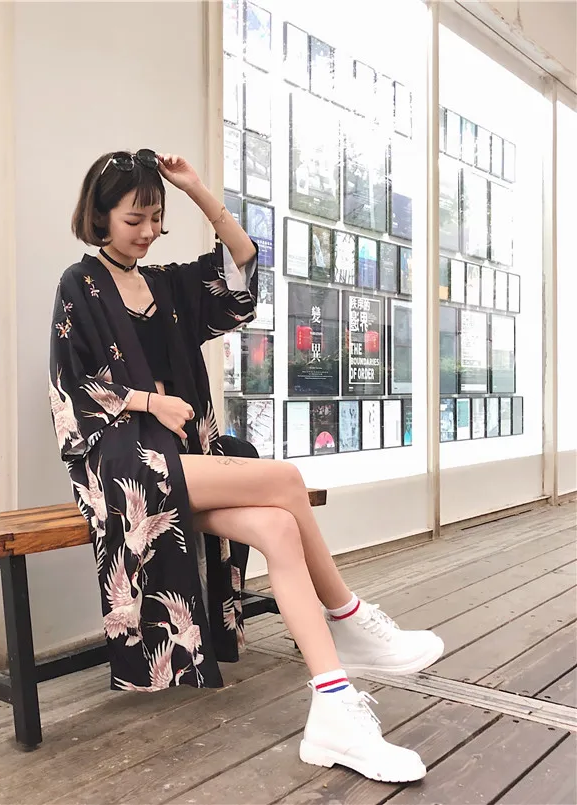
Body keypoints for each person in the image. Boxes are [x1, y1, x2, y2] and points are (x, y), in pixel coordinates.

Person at [48, 148, 444, 784]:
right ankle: (349, 618)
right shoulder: (80, 284)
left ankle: (334, 708)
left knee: (279, 526)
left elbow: (240, 268)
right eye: (133, 220)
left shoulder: (165, 284)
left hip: (186, 457)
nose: (148, 232)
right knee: (286, 480)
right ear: (99, 217)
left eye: (156, 218)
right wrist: (150, 401)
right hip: (123, 465)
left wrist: (198, 190)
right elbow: (72, 386)